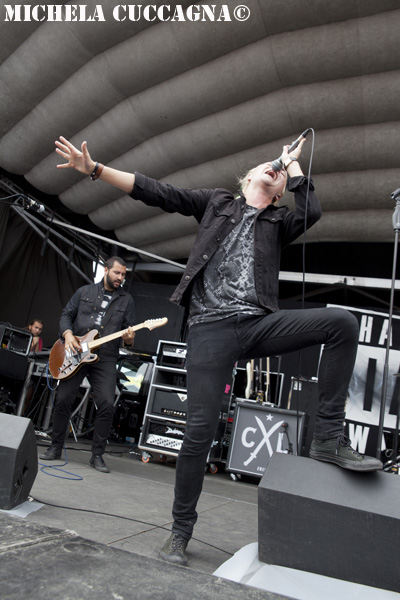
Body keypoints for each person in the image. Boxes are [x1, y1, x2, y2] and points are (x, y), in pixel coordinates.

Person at [54, 135, 382, 564]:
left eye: (279, 177)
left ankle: (328, 438)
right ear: (248, 178)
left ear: (280, 192)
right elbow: (157, 191)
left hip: (258, 324)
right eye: (266, 166)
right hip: (210, 330)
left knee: (342, 323)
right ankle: (179, 532)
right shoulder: (217, 203)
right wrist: (95, 169)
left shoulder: (277, 221)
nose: (272, 170)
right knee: (199, 432)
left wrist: (293, 167)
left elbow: (312, 212)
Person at [40, 256, 136, 473]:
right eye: (117, 273)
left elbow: (129, 337)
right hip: (76, 352)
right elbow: (66, 315)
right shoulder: (84, 292)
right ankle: (55, 447)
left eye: (123, 275)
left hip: (106, 356)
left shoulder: (127, 300)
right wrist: (68, 335)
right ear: (106, 270)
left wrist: (129, 338)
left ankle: (97, 455)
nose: (120, 278)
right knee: (63, 398)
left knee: (107, 404)